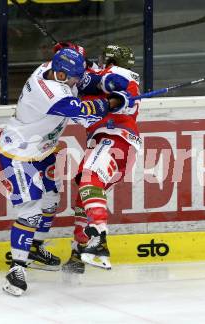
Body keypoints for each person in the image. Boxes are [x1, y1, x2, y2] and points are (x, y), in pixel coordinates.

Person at [0, 47, 134, 296]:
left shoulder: (56, 69)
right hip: (18, 154)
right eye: (72, 78)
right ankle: (16, 269)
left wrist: (111, 81)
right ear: (60, 75)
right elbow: (86, 109)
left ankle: (35, 247)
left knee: (51, 202)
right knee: (32, 209)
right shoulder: (48, 93)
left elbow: (87, 80)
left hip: (43, 150)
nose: (76, 82)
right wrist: (117, 101)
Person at [62, 44, 141, 273]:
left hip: (115, 138)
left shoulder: (121, 74)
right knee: (84, 197)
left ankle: (99, 241)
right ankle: (79, 250)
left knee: (90, 180)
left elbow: (94, 81)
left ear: (110, 60)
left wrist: (77, 62)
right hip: (107, 141)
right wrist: (82, 62)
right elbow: (90, 83)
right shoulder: (107, 74)